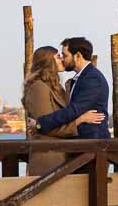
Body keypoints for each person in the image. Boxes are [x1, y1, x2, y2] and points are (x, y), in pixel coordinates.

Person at [22, 46, 106, 174]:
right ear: (48, 61)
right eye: (58, 57)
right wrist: (79, 121)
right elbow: (48, 127)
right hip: (49, 159)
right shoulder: (38, 88)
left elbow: (61, 116)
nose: (62, 59)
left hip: (64, 157)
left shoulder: (56, 87)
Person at [34, 37, 111, 139]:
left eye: (65, 55)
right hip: (80, 142)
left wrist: (40, 123)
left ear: (77, 56)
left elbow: (73, 110)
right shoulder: (81, 77)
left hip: (91, 144)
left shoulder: (92, 78)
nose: (63, 59)